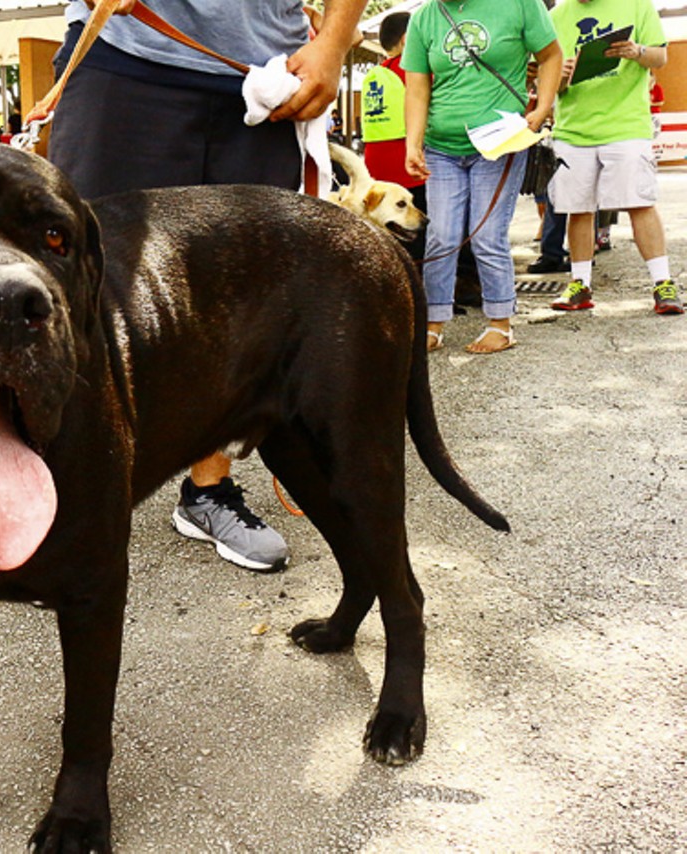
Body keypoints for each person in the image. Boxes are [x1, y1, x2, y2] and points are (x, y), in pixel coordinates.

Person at [49, 0, 367, 573]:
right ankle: (60, 500)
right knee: (86, 288)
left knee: (238, 302)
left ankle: (209, 491)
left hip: (264, 74)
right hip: (129, 48)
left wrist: (334, 42)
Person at [403, 0, 562, 354]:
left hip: (500, 142)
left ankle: (500, 324)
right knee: (441, 236)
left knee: (487, 235)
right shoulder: (424, 18)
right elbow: (417, 87)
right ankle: (434, 322)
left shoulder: (520, 4)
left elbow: (551, 56)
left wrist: (543, 106)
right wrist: (412, 143)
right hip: (441, 146)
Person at [548, 0, 681, 315]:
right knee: (577, 209)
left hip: (626, 127)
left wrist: (637, 51)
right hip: (573, 130)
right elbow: (543, 78)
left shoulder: (636, 4)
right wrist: (561, 74)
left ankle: (663, 283)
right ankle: (580, 284)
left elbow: (660, 56)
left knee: (640, 202)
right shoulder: (555, 17)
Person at [362, 10, 426, 256]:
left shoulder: (376, 75)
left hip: (375, 171)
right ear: (407, 39)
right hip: (410, 171)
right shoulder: (411, 69)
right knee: (418, 236)